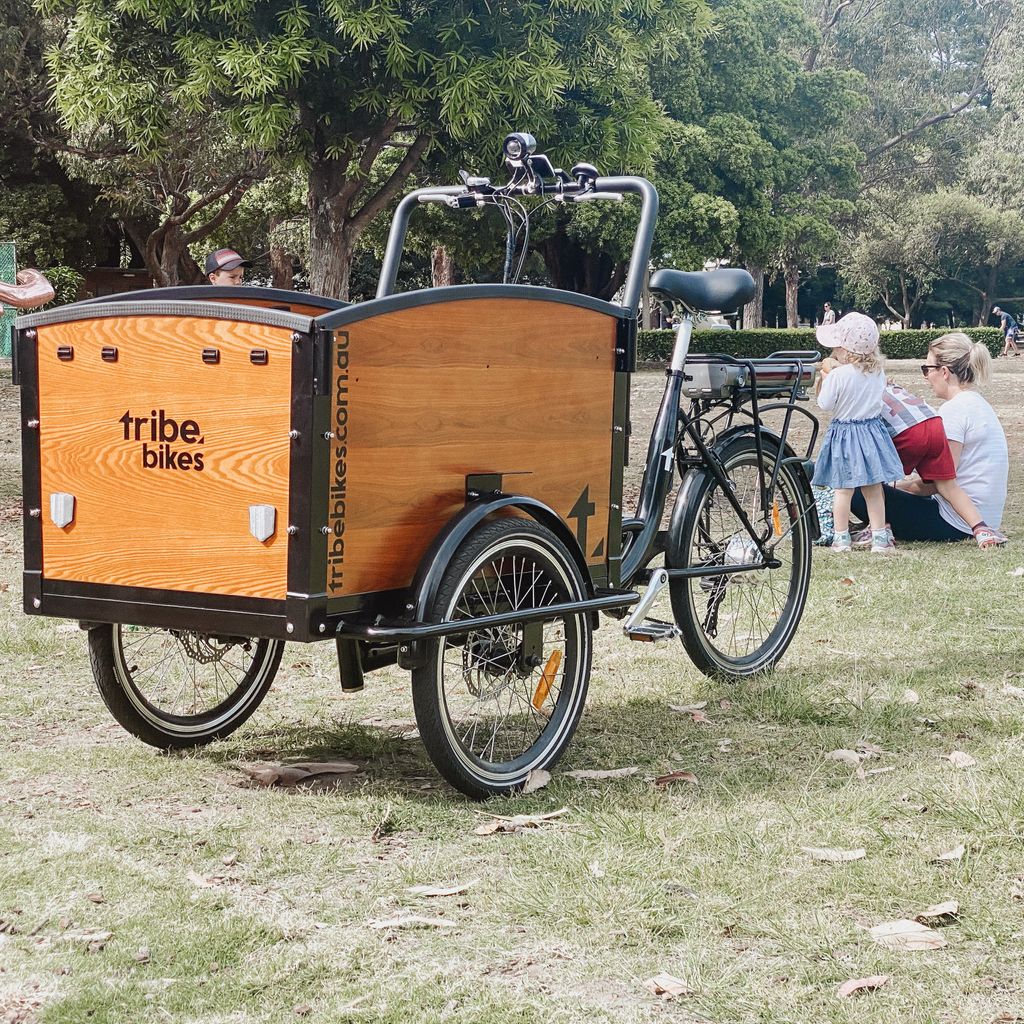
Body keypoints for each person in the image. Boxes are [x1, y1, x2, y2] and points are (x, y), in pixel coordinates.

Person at [850, 332, 1008, 545]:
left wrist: (894, 489)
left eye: (927, 369)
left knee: (857, 490)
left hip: (954, 521)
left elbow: (938, 482)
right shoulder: (979, 404)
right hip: (985, 516)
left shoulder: (954, 411)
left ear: (944, 372)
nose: (925, 377)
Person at [812, 312, 904, 554]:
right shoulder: (877, 373)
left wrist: (824, 380)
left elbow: (825, 404)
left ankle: (841, 538)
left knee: (843, 489)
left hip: (845, 434)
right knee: (873, 489)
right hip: (871, 432)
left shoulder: (838, 375)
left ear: (845, 349)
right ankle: (880, 538)